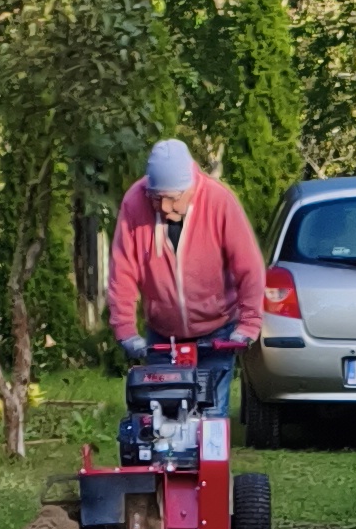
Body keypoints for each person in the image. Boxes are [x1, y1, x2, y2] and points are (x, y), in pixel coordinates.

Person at [109, 137, 266, 405]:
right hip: (163, 336)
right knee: (162, 417)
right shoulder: (135, 203)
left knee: (211, 418)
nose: (165, 208)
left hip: (216, 333)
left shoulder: (219, 202)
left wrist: (248, 325)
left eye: (172, 199)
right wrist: (126, 330)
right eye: (157, 199)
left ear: (190, 188)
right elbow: (122, 270)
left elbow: (249, 268)